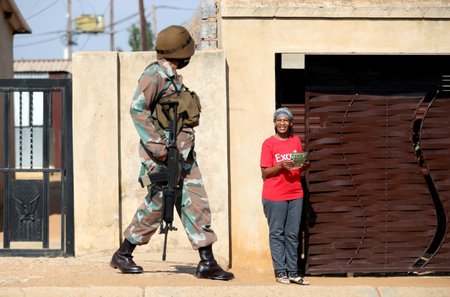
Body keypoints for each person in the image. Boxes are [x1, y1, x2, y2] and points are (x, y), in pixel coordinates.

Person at [110, 25, 234, 281]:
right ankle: (123, 253)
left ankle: (207, 262)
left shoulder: (173, 78)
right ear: (180, 50)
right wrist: (159, 148)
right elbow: (138, 111)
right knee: (158, 203)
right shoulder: (154, 75)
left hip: (184, 154)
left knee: (197, 203)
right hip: (163, 155)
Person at [260, 107, 310, 285]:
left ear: (290, 123)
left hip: (296, 193)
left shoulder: (296, 141)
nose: (282, 123)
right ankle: (281, 272)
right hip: (274, 195)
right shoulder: (268, 144)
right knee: (277, 233)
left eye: (285, 120)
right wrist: (281, 165)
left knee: (292, 234)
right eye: (279, 120)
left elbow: (297, 166)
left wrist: (303, 165)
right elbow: (265, 173)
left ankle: (293, 272)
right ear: (274, 123)